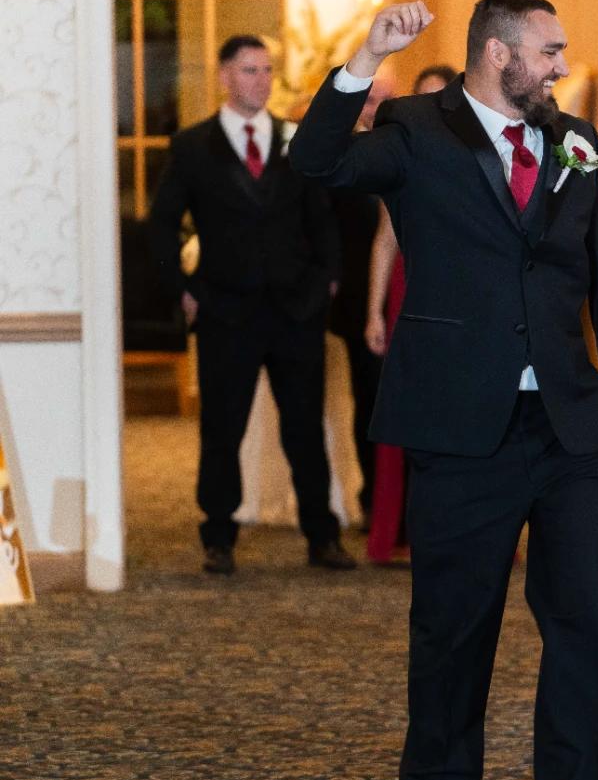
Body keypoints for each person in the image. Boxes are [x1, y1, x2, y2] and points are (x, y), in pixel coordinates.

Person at [290, 0, 598, 780]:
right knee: (453, 632)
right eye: (551, 50)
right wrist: (364, 61)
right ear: (499, 53)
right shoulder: (417, 128)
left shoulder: (577, 143)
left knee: (580, 627)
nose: (563, 65)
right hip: (460, 428)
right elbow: (318, 161)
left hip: (569, 427)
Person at [148, 34, 356, 576]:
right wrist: (184, 290)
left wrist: (327, 282)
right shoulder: (193, 147)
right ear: (223, 76)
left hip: (296, 311)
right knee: (222, 427)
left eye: (266, 70)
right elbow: (161, 224)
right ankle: (219, 537)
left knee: (305, 427)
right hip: (225, 312)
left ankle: (322, 536)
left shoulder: (297, 141)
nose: (260, 80)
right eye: (248, 70)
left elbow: (323, 222)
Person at [362, 64, 459, 564]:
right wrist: (374, 311)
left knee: (464, 414)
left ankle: (468, 532)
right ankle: (396, 535)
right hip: (409, 293)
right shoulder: (402, 157)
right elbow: (385, 239)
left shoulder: (483, 154)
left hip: (466, 297)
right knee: (406, 417)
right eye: (425, 99)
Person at [326, 71, 396, 526]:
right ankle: (374, 496)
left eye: (383, 101)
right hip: (358, 302)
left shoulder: (412, 152)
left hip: (413, 297)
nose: (373, 109)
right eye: (368, 100)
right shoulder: (342, 159)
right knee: (369, 403)